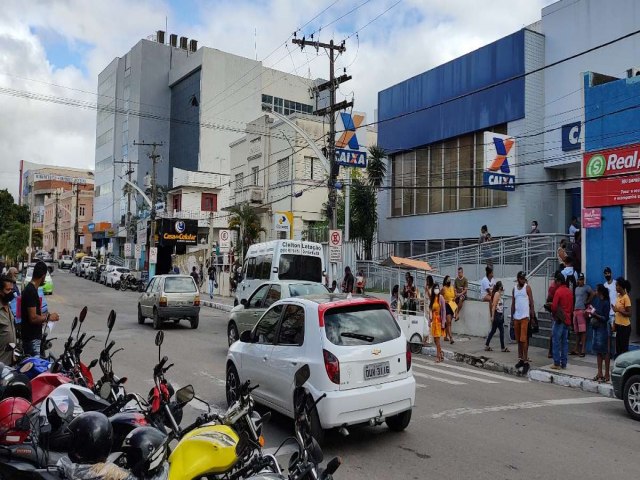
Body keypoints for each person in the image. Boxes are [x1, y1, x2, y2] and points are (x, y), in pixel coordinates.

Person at [21, 261, 59, 357]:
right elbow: (33, 318)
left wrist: (44, 317)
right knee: (36, 368)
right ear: (43, 276)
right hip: (32, 339)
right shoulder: (30, 291)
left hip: (33, 338)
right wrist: (49, 317)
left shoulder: (32, 290)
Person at [511, 271, 535, 374]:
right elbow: (513, 303)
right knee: (518, 340)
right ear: (518, 278)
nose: (523, 280)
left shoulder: (527, 288)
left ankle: (525, 361)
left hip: (525, 317)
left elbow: (531, 302)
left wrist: (532, 316)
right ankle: (520, 359)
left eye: (524, 278)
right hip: (517, 317)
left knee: (524, 339)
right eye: (521, 278)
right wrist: (512, 317)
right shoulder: (514, 289)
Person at [550, 272, 574, 370]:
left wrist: (551, 307)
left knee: (556, 341)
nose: (555, 283)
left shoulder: (558, 291)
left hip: (559, 320)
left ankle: (556, 363)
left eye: (556, 281)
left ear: (559, 281)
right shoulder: (569, 291)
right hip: (567, 319)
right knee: (565, 342)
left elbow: (554, 307)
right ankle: (564, 363)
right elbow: (572, 307)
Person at [590, 284, 611, 383]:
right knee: (598, 351)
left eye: (596, 290)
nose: (595, 292)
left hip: (603, 329)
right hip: (596, 328)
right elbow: (595, 310)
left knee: (605, 351)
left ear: (600, 292)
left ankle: (607, 373)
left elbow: (605, 318)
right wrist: (591, 312)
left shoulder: (606, 303)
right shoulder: (597, 301)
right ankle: (599, 373)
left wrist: (595, 315)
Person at [571, 273, 594, 357]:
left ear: (583, 280)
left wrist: (587, 301)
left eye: (581, 279)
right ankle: (576, 349)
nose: (580, 281)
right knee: (577, 331)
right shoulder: (576, 288)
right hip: (575, 311)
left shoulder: (586, 287)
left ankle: (583, 349)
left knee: (583, 331)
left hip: (582, 311)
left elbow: (593, 293)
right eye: (579, 279)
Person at [485, 282, 509, 352]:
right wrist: (492, 316)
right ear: (499, 287)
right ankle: (502, 347)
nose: (502, 287)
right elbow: (494, 305)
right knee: (501, 331)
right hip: (497, 315)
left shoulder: (498, 293)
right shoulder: (497, 294)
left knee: (493, 330)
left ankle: (487, 345)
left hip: (499, 314)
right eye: (502, 286)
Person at [0, 275, 18, 365]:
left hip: (10, 361)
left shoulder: (8, 306)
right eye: (8, 290)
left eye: (12, 289)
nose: (11, 293)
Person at [612, 277, 632, 357]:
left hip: (625, 327)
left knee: (624, 350)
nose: (616, 287)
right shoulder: (618, 297)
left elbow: (629, 313)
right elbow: (616, 312)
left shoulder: (626, 298)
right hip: (618, 326)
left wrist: (618, 310)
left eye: (617, 285)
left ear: (621, 286)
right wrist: (614, 324)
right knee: (618, 349)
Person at [430, 283, 446, 363]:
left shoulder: (441, 298)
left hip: (439, 321)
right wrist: (430, 320)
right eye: (435, 288)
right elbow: (431, 310)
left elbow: (443, 310)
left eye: (437, 288)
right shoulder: (433, 298)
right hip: (434, 321)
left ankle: (438, 357)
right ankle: (441, 353)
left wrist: (443, 323)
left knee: (438, 339)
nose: (436, 289)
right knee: (435, 340)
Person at [603, 267, 617, 358]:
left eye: (608, 273)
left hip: (614, 314)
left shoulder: (616, 284)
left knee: (614, 335)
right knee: (607, 335)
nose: (607, 275)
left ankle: (615, 353)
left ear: (611, 273)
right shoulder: (604, 285)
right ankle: (608, 353)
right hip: (607, 314)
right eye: (605, 273)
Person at [442, 275, 456, 344]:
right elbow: (440, 297)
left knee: (449, 323)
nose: (449, 281)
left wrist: (454, 298)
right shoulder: (444, 288)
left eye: (450, 280)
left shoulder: (452, 287)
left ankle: (445, 336)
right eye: (448, 280)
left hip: (452, 305)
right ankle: (451, 338)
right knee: (449, 322)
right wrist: (444, 301)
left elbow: (455, 296)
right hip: (446, 306)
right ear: (445, 281)